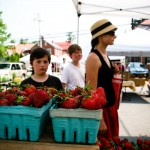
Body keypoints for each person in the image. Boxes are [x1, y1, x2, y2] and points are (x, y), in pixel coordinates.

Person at [86, 19, 119, 140]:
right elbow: (91, 92)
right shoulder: (93, 57)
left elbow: (103, 80)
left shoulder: (104, 55)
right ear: (101, 35)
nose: (114, 36)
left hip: (110, 108)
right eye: (111, 32)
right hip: (102, 112)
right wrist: (100, 120)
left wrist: (112, 71)